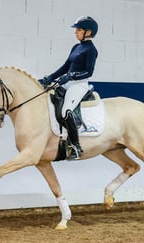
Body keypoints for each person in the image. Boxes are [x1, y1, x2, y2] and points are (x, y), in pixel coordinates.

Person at [42, 16, 98, 160]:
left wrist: (72, 76)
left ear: (88, 32)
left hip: (79, 85)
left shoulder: (91, 50)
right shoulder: (76, 47)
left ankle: (76, 146)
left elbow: (89, 71)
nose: (76, 33)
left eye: (79, 30)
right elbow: (65, 67)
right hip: (68, 82)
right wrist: (50, 78)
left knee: (66, 111)